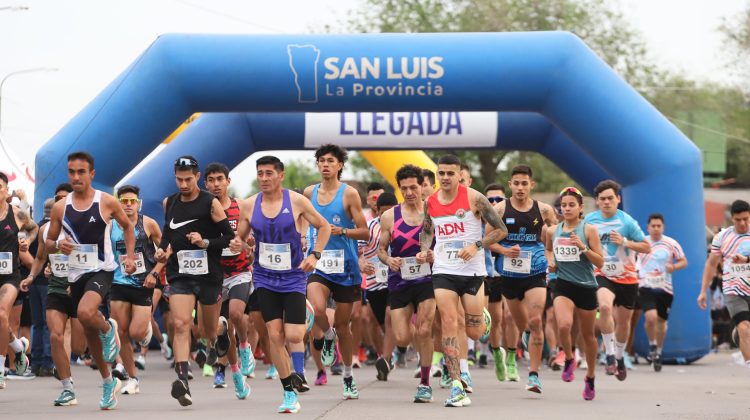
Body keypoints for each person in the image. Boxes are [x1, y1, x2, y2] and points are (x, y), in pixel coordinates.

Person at [232, 155, 331, 413]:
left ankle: (307, 314)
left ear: (280, 175)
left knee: (294, 335)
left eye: (268, 173)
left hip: (293, 277)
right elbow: (240, 239)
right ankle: (289, 393)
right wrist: (237, 244)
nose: (263, 178)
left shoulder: (296, 201)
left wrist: (315, 255)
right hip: (265, 278)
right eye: (260, 173)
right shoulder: (249, 205)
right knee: (274, 336)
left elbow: (324, 227)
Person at [43, 152, 137, 410]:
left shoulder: (105, 201)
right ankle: (108, 382)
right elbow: (48, 243)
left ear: (91, 174)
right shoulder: (61, 207)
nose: (76, 177)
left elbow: (128, 227)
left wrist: (129, 257)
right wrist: (58, 244)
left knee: (86, 312)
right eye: (72, 172)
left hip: (102, 270)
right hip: (76, 274)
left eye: (81, 172)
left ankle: (109, 329)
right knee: (88, 331)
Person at [417, 155, 508, 407]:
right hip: (444, 269)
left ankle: (481, 316)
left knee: (474, 332)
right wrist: (425, 249)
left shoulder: (475, 198)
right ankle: (457, 384)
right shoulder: (431, 201)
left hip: (473, 271)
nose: (445, 178)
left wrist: (477, 245)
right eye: (441, 173)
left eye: (450, 173)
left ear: (460, 175)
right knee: (448, 321)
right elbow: (427, 230)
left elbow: (502, 230)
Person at [155, 156, 236, 407]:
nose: (183, 184)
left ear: (197, 177)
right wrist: (161, 251)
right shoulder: (170, 202)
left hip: (209, 274)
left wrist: (205, 242)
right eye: (179, 179)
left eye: (188, 179)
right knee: (180, 324)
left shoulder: (210, 203)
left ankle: (222, 332)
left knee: (206, 332)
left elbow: (229, 238)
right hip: (180, 273)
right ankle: (182, 381)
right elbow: (168, 236)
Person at [304, 144, 369, 400]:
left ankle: (348, 375)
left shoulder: (349, 194)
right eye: (321, 161)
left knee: (344, 325)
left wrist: (342, 231)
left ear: (340, 165)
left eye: (331, 161)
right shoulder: (309, 192)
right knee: (317, 308)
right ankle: (326, 334)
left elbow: (364, 231)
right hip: (319, 262)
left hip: (346, 265)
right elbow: (302, 220)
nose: (325, 165)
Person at [491, 165, 557, 393]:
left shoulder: (545, 210)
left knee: (537, 320)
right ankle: (524, 340)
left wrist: (549, 252)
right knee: (522, 325)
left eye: (524, 183)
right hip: (509, 275)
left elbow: (557, 235)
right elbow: (487, 240)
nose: (520, 187)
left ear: (532, 185)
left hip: (536, 272)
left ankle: (534, 375)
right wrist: (505, 250)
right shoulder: (500, 209)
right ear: (510, 185)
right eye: (516, 183)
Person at [21, 184, 86, 405]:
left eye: (65, 199)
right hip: (55, 287)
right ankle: (67, 387)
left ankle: (106, 328)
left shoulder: (85, 225)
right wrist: (32, 276)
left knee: (79, 346)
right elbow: (40, 257)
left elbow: (97, 258)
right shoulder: (45, 229)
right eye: (57, 199)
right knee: (56, 335)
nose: (61, 203)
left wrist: (77, 279)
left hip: (80, 287)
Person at [378, 166, 437, 403]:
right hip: (400, 280)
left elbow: (444, 244)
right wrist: (389, 259)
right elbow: (381, 249)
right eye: (404, 189)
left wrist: (433, 255)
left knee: (424, 330)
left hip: (428, 279)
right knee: (402, 338)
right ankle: (425, 345)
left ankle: (424, 383)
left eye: (414, 187)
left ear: (423, 186)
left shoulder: (434, 212)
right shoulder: (390, 216)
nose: (410, 192)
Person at [584, 180, 650, 380]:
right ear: (596, 201)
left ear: (618, 199)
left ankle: (620, 356)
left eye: (610, 198)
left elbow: (646, 247)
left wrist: (624, 242)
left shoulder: (627, 222)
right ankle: (610, 354)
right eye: (602, 199)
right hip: (602, 274)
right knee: (604, 307)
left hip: (627, 277)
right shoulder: (589, 221)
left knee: (623, 322)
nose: (606, 202)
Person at [545, 187, 604, 401]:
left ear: (580, 208)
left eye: (571, 205)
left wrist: (583, 248)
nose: (567, 208)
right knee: (563, 324)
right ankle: (569, 358)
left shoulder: (589, 230)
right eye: (564, 205)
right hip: (563, 284)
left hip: (587, 286)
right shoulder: (552, 231)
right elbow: (549, 250)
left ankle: (590, 377)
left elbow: (600, 262)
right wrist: (550, 262)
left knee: (588, 336)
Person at [204, 162, 252, 398]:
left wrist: (246, 244)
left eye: (219, 179)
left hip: (239, 272)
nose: (215, 184)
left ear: (227, 182)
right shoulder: (203, 211)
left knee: (235, 315)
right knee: (215, 330)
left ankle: (244, 346)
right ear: (205, 184)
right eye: (211, 180)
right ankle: (233, 372)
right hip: (213, 276)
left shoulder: (241, 207)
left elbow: (253, 236)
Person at [108, 184, 162, 395]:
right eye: (124, 202)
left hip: (143, 283)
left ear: (138, 203)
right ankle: (132, 378)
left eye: (132, 201)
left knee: (136, 332)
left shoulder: (148, 224)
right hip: (118, 282)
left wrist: (155, 272)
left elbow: (166, 250)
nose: (128, 206)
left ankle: (145, 328)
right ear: (118, 203)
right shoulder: (110, 225)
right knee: (120, 332)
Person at [698, 200, 750, 369]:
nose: (742, 223)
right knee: (745, 327)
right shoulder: (721, 237)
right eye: (738, 220)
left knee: (744, 331)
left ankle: (737, 335)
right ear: (731, 219)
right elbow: (711, 264)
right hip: (733, 289)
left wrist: (747, 259)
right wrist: (703, 291)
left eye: (746, 219)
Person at [0, 171, 38, 389]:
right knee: (1, 321)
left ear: (6, 191)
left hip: (10, 277)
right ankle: (17, 347)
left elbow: (34, 229)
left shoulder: (16, 213)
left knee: (2, 313)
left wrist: (26, 242)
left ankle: (1, 370)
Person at [636, 213, 687, 371]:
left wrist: (674, 267)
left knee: (661, 322)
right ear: (648, 227)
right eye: (653, 226)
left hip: (665, 288)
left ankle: (658, 351)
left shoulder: (671, 243)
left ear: (663, 227)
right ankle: (652, 345)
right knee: (650, 317)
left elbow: (683, 261)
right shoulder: (642, 242)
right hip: (645, 285)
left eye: (659, 226)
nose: (656, 229)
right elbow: (631, 260)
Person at [359, 193, 396, 381]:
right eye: (384, 212)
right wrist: (362, 264)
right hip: (374, 282)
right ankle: (384, 355)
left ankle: (387, 358)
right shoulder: (368, 228)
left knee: (391, 317)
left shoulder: (402, 225)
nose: (387, 215)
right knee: (380, 323)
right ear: (377, 211)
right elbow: (359, 253)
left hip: (396, 279)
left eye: (391, 211)